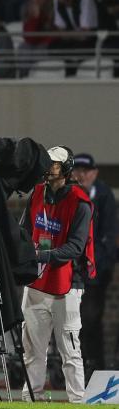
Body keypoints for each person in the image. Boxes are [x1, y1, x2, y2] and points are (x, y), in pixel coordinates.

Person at [19, 146, 95, 403]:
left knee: (70, 351)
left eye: (53, 164)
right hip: (37, 282)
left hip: (67, 286)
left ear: (65, 168)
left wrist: (40, 256)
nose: (48, 167)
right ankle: (31, 399)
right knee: (32, 351)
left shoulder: (80, 202)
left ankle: (77, 402)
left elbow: (75, 247)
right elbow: (24, 230)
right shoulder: (37, 193)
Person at [71, 154, 118, 376]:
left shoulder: (104, 196)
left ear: (94, 173)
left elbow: (109, 236)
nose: (81, 175)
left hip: (95, 270)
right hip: (73, 269)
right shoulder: (70, 195)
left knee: (90, 319)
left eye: (85, 171)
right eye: (76, 170)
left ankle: (95, 367)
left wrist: (94, 264)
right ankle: (80, 367)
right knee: (75, 321)